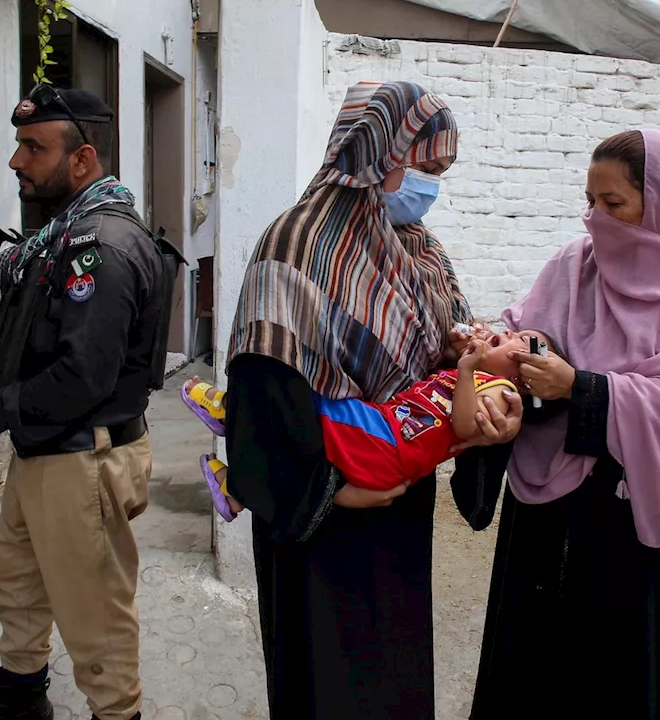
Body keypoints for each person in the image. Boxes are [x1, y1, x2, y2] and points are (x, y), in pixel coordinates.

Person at [223, 80, 523, 719]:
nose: (432, 186)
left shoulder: (422, 251)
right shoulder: (295, 243)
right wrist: (327, 490)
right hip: (320, 520)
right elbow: (260, 396)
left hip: (397, 507)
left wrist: (489, 401)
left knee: (393, 677)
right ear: (380, 154)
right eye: (426, 167)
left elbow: (453, 359)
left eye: (441, 172)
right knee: (324, 684)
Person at [451, 129, 660, 719]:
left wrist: (581, 388)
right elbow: (527, 328)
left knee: (619, 678)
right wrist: (510, 351)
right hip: (545, 515)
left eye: (613, 204)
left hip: (629, 521)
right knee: (532, 667)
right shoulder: (573, 264)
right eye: (590, 201)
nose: (596, 219)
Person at [0, 84, 183, 720]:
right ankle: (19, 700)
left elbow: (83, 377)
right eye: (18, 145)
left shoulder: (103, 247)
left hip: (82, 460)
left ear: (83, 160)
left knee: (95, 617)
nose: (17, 161)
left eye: (33, 148)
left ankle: (117, 714)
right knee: (18, 584)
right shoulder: (59, 238)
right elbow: (50, 332)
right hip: (45, 453)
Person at [183, 329, 553, 521]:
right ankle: (236, 491)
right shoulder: (479, 374)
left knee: (303, 402)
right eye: (512, 330)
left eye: (519, 342)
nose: (507, 335)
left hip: (387, 444)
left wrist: (470, 368)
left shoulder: (503, 392)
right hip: (385, 431)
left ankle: (230, 410)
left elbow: (466, 425)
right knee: (303, 427)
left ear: (526, 375)